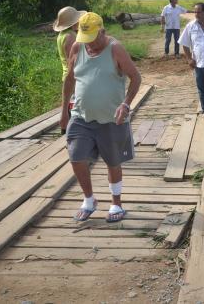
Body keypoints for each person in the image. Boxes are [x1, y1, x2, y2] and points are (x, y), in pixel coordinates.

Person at [60, 12, 142, 223]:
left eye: (93, 39)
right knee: (76, 157)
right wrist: (63, 112)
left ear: (103, 31)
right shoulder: (78, 47)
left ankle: (116, 203)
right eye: (84, 39)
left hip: (111, 119)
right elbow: (69, 79)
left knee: (112, 162)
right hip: (81, 117)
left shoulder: (115, 49)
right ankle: (89, 200)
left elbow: (135, 77)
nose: (89, 45)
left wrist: (126, 104)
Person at [53, 6, 86, 82]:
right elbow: (72, 60)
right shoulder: (70, 36)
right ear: (73, 22)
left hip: (71, 75)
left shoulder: (62, 34)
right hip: (74, 77)